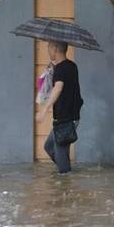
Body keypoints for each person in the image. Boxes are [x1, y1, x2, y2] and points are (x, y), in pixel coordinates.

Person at [36, 41, 83, 174]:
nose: (48, 51)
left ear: (55, 48)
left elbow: (58, 88)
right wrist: (52, 70)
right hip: (68, 117)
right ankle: (67, 172)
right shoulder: (71, 66)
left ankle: (65, 183)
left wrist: (44, 110)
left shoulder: (61, 69)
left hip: (66, 119)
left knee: (62, 164)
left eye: (49, 48)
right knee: (49, 147)